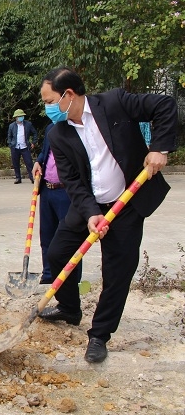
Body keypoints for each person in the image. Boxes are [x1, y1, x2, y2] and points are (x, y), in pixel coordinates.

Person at [38, 67, 177, 363]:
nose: (47, 108)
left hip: (125, 205)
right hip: (89, 205)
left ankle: (99, 334)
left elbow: (165, 106)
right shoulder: (57, 133)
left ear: (69, 95)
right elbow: (73, 181)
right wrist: (90, 214)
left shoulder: (114, 103)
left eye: (49, 101)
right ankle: (70, 308)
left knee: (117, 271)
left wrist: (160, 148)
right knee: (58, 253)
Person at [32, 119, 82, 285]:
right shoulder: (50, 128)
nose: (49, 107)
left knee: (70, 238)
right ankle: (48, 276)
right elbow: (45, 152)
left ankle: (70, 278)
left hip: (67, 192)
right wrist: (39, 161)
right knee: (47, 236)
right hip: (47, 189)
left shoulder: (77, 130)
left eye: (51, 101)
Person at [7, 109, 38, 184]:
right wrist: (10, 144)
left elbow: (35, 133)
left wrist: (33, 142)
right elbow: (9, 136)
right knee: (15, 163)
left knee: (29, 163)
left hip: (25, 147)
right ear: (16, 117)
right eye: (19, 116)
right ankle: (18, 178)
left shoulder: (28, 124)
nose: (21, 117)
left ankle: (32, 177)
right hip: (15, 147)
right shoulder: (11, 126)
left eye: (22, 116)